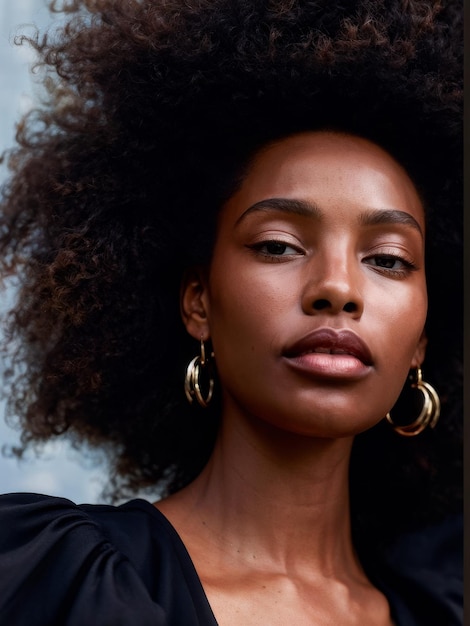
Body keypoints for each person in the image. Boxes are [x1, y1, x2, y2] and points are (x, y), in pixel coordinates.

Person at [0, 1, 462, 624]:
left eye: (387, 259)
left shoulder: (444, 603)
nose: (337, 288)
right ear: (199, 302)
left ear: (423, 342)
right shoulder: (56, 575)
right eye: (277, 246)